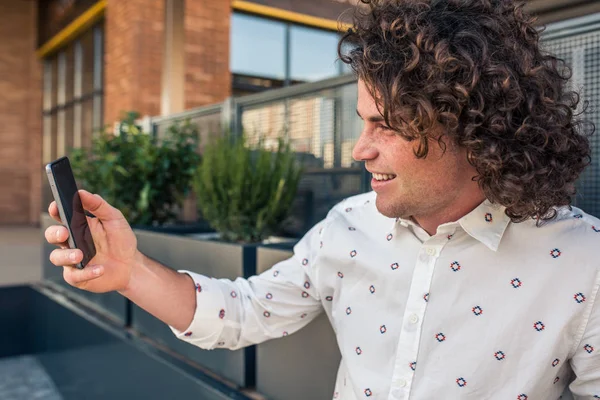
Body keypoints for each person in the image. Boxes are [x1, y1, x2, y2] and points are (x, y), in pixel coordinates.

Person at [45, 0, 599, 398]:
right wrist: (130, 270)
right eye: (362, 122)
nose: (360, 150)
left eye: (385, 127)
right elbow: (243, 312)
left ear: (474, 130)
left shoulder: (585, 264)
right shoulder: (348, 226)